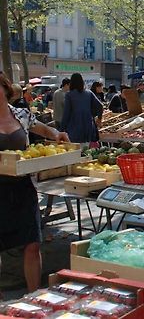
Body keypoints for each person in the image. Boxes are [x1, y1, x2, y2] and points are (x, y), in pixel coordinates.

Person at [0, 73, 69, 292]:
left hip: (23, 187)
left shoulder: (20, 114)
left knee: (32, 243)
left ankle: (33, 296)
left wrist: (58, 134)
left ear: (5, 89)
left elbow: (43, 128)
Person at [61, 73, 103, 144]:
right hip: (88, 127)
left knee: (76, 151)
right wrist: (99, 118)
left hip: (74, 127)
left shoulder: (69, 95)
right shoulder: (89, 93)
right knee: (87, 150)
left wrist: (62, 129)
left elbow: (66, 113)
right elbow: (100, 106)